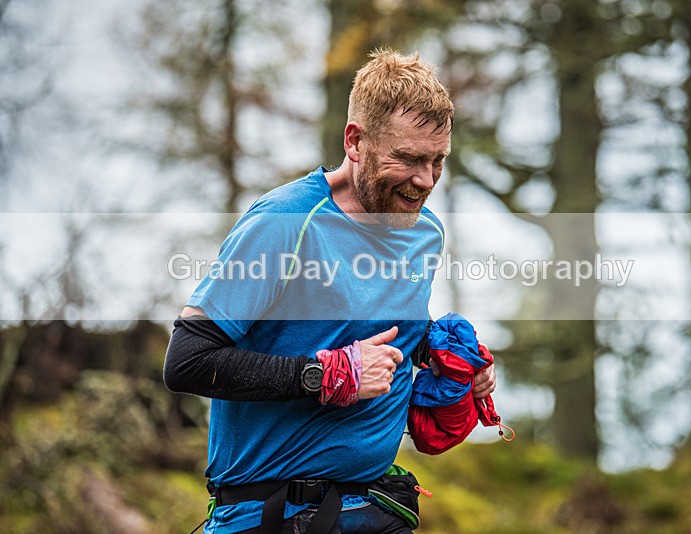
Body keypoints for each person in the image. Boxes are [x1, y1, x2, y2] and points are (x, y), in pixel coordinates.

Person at [164, 49, 496, 534]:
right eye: (407, 159)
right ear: (355, 141)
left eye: (437, 160)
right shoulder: (285, 223)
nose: (424, 181)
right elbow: (187, 360)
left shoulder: (425, 231)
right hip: (271, 514)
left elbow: (374, 334)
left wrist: (448, 358)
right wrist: (322, 376)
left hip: (376, 510)